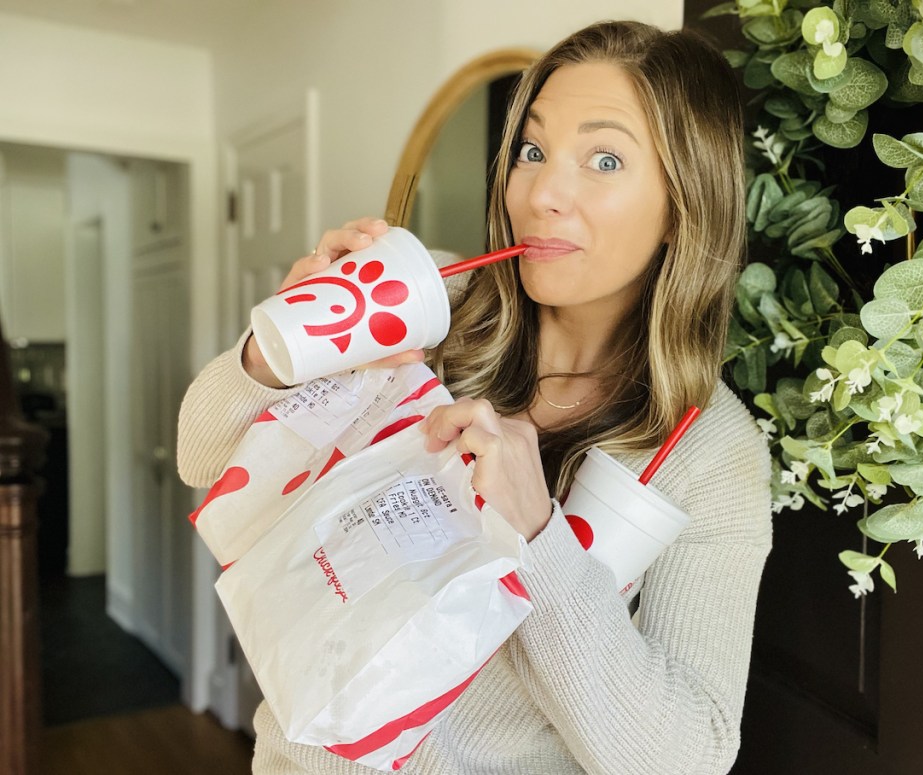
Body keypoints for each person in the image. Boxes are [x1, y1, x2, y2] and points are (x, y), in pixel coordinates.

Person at [178, 19, 771, 775]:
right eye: (532, 149)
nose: (544, 192)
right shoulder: (437, 301)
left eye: (605, 158)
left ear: (685, 201)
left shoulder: (710, 449)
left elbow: (686, 758)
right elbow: (204, 458)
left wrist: (539, 535)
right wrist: (279, 346)